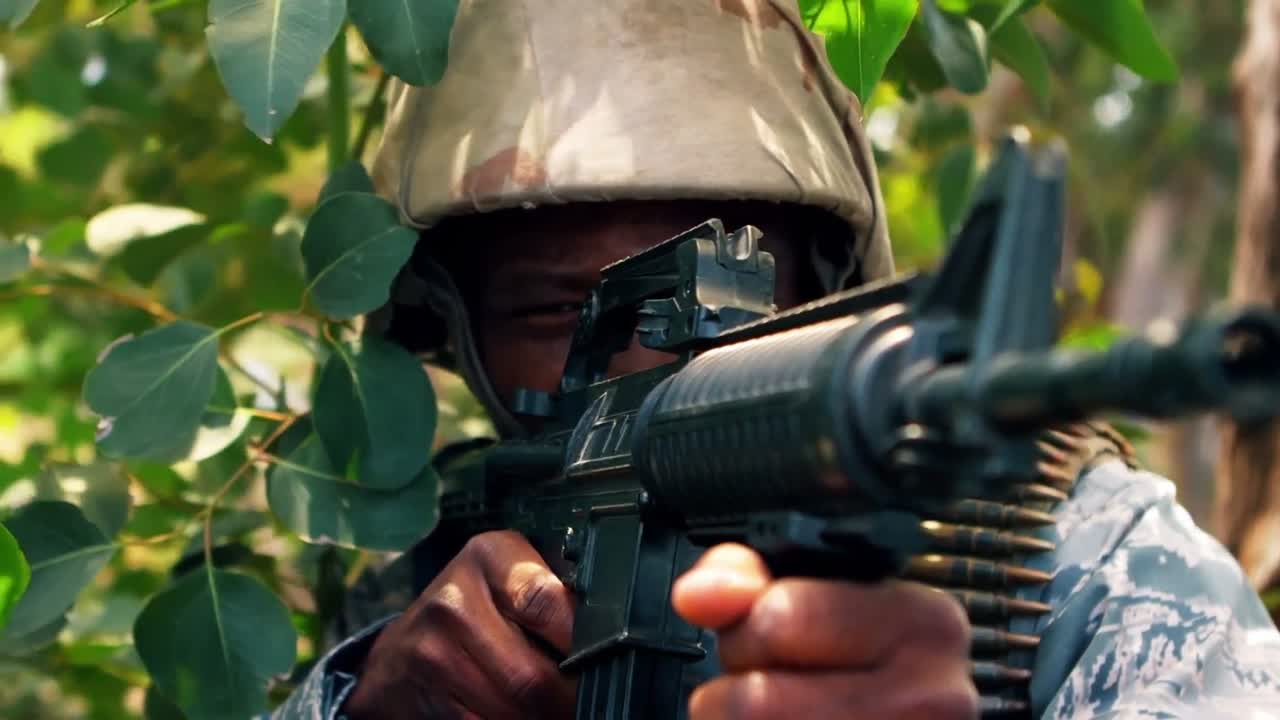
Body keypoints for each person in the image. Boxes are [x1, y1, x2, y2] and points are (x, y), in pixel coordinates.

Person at [271, 1, 1280, 718]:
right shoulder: (433, 586)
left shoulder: (1081, 563)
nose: (646, 362)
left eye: (729, 289)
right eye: (556, 307)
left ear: (824, 287)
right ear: (451, 336)